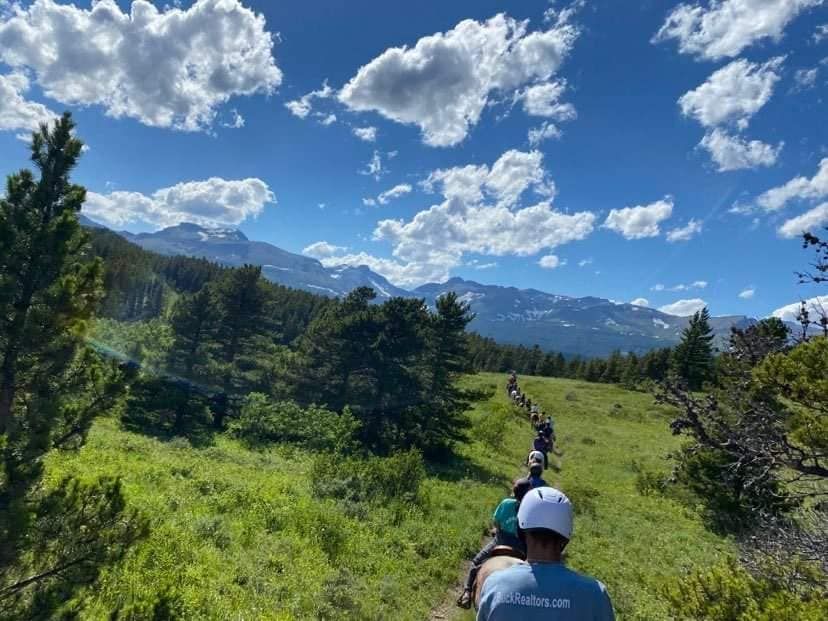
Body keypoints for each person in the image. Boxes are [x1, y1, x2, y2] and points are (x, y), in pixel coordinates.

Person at [477, 487, 615, 620]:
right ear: (566, 538)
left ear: (519, 531)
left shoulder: (494, 584)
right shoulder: (596, 594)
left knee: (476, 562)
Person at [457, 479, 533, 609]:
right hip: (521, 546)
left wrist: (498, 530)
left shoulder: (506, 503)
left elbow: (496, 523)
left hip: (500, 541)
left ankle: (467, 593)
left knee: (476, 562)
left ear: (514, 492)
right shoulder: (530, 508)